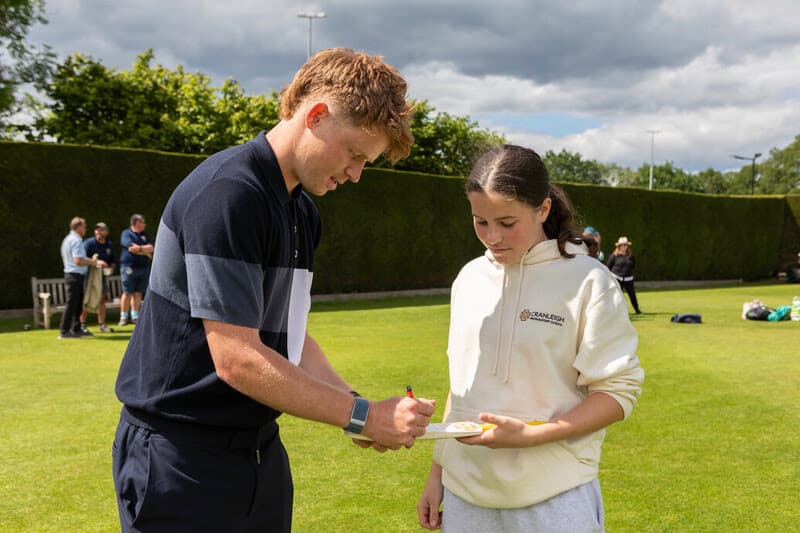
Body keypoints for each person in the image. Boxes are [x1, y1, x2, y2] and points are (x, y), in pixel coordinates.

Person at [112, 48, 435, 533]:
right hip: (179, 456)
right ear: (317, 116)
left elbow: (292, 337)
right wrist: (362, 416)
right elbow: (238, 358)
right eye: (353, 154)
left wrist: (356, 403)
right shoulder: (229, 194)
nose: (355, 174)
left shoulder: (303, 213)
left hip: (257, 452)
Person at [417, 145, 643, 532]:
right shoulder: (469, 279)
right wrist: (437, 473)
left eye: (507, 222)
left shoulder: (588, 280)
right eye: (480, 221)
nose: (492, 237)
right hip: (464, 495)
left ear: (542, 209)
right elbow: (463, 385)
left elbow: (617, 393)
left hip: (554, 496)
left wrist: (533, 435)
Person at [58, 217, 106, 339]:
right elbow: (78, 260)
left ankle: (77, 328)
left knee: (78, 304)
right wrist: (93, 261)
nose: (86, 229)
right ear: (78, 227)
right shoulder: (76, 240)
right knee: (72, 303)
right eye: (84, 227)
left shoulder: (69, 239)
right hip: (74, 275)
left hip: (74, 275)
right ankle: (64, 331)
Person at [79, 222, 116, 333]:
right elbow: (82, 258)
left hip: (102, 277)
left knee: (102, 299)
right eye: (97, 230)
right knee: (87, 299)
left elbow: (113, 261)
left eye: (101, 230)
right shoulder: (89, 243)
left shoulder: (109, 245)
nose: (98, 232)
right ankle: (81, 324)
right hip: (89, 276)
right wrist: (97, 262)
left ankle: (102, 325)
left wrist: (111, 269)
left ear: (106, 232)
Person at [118, 213, 153, 326]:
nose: (144, 224)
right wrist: (145, 252)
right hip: (129, 268)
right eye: (143, 222)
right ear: (137, 223)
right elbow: (131, 248)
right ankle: (123, 317)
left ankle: (135, 316)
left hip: (143, 268)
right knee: (127, 292)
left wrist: (140, 249)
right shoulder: (126, 234)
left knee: (138, 293)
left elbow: (151, 248)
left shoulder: (145, 235)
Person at [607, 236, 642, 314]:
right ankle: (615, 311)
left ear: (627, 246)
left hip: (628, 279)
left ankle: (637, 310)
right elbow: (608, 267)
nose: (623, 246)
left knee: (632, 295)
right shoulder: (614, 256)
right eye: (621, 245)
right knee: (617, 296)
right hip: (617, 278)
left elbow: (633, 266)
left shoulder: (631, 256)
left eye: (625, 245)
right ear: (618, 246)